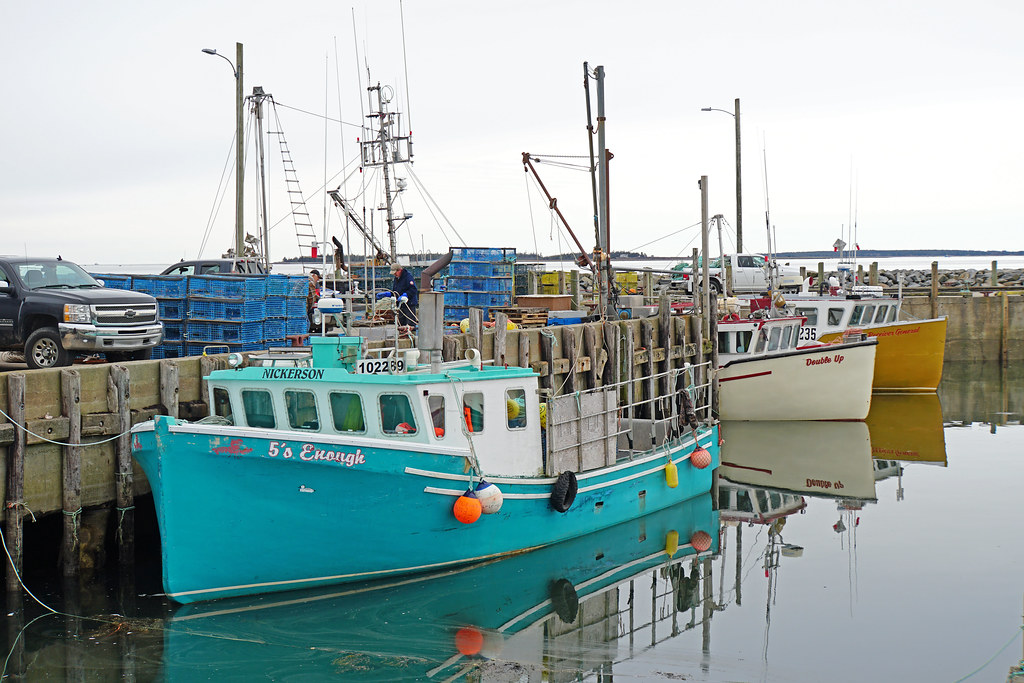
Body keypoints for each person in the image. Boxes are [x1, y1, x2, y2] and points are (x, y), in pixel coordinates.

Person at [390, 262, 418, 328]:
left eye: (395, 272)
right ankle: (402, 336)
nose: (394, 274)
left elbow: (413, 289)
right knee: (401, 324)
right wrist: (390, 294)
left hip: (409, 305)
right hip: (400, 305)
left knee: (410, 324)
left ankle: (411, 336)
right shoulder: (397, 278)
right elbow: (396, 291)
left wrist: (406, 295)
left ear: (399, 270)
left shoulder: (408, 277)